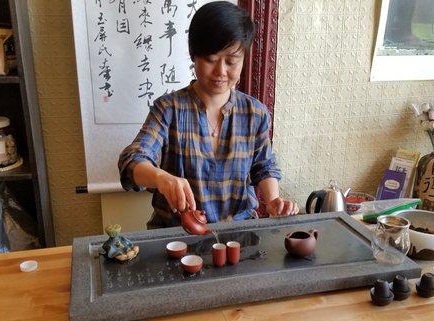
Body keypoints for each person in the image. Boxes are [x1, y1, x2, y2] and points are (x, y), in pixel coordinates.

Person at [118, 1, 299, 229]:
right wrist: (160, 178)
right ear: (194, 56)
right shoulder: (168, 109)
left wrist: (273, 201)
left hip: (238, 235)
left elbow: (263, 166)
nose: (221, 72)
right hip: (177, 237)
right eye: (211, 60)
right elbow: (132, 160)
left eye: (232, 61)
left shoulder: (255, 113)